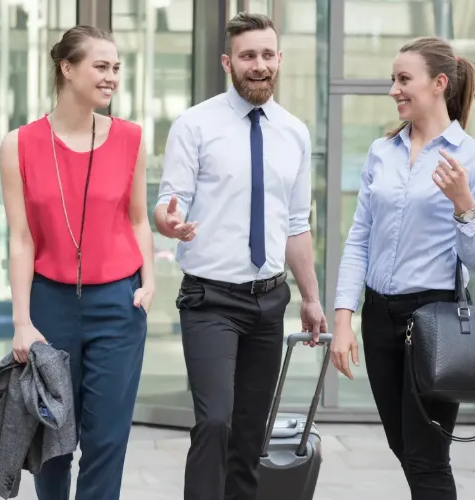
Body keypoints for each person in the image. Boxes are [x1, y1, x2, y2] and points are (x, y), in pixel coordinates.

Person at [155, 13, 327, 500]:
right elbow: (171, 201)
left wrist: (310, 299)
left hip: (269, 302)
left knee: (251, 433)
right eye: (248, 56)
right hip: (210, 300)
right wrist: (170, 221)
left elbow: (297, 224)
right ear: (228, 62)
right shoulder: (195, 124)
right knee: (214, 422)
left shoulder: (294, 132)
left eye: (267, 55)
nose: (259, 66)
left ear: (279, 59)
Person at [331, 36, 475, 499]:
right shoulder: (381, 152)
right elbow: (358, 238)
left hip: (435, 321)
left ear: (439, 83)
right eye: (393, 80)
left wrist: (464, 205)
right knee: (405, 448)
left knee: (426, 458)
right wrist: (344, 317)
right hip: (380, 317)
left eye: (404, 79)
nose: (394, 90)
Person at [0, 25, 154, 500]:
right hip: (50, 304)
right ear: (67, 68)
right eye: (100, 67)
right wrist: (22, 321)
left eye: (116, 69)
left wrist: (149, 282)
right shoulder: (18, 144)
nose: (111, 78)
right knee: (53, 438)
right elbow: (21, 240)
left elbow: (139, 219)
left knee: (107, 440)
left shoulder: (131, 138)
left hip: (118, 304)